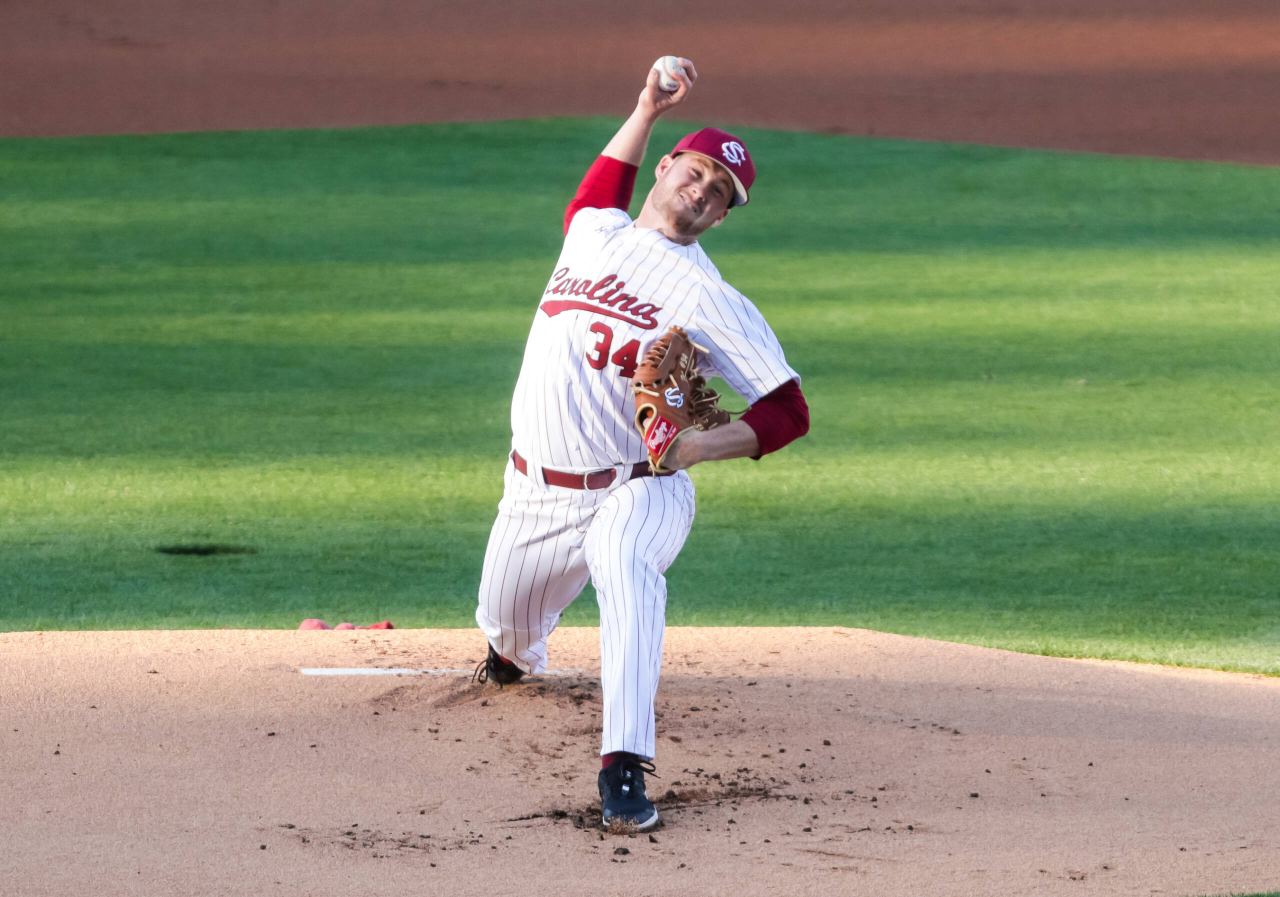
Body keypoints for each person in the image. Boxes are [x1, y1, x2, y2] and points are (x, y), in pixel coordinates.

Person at [473, 58, 809, 829]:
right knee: (508, 632)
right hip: (534, 493)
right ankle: (514, 653)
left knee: (625, 566)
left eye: (719, 194)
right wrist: (646, 106)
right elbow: (596, 191)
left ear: (722, 217)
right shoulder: (594, 230)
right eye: (696, 174)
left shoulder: (710, 298)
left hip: (639, 484)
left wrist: (697, 449)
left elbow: (789, 411)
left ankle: (624, 763)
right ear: (668, 168)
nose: (702, 192)